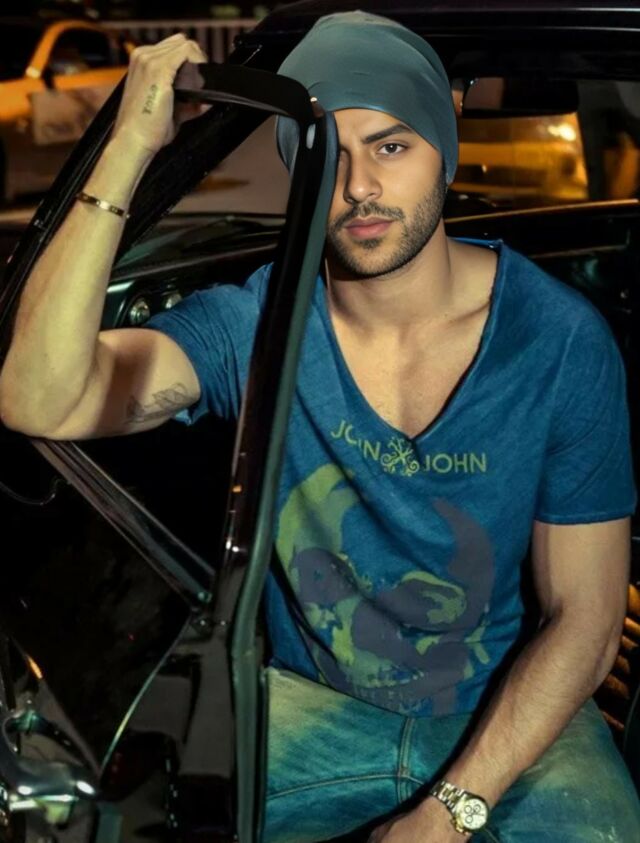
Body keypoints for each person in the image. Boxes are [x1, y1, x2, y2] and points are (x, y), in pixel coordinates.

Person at [0, 10, 638, 843]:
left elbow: (586, 619)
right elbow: (40, 398)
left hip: (504, 712)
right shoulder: (257, 324)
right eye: (329, 153)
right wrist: (126, 149)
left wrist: (450, 812)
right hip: (310, 708)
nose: (359, 185)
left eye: (391, 146)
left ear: (443, 148)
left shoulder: (558, 341)